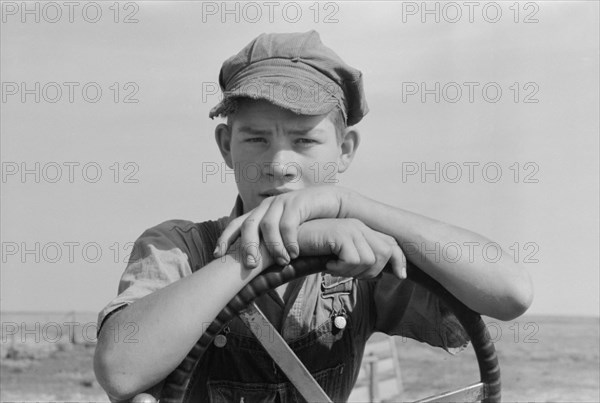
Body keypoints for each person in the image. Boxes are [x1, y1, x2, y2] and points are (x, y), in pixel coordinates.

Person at [93, 30, 533, 402]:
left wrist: (349, 206)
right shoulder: (179, 249)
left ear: (344, 151)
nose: (280, 164)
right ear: (226, 146)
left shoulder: (363, 260)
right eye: (256, 140)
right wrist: (270, 248)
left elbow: (510, 292)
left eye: (304, 142)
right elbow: (120, 368)